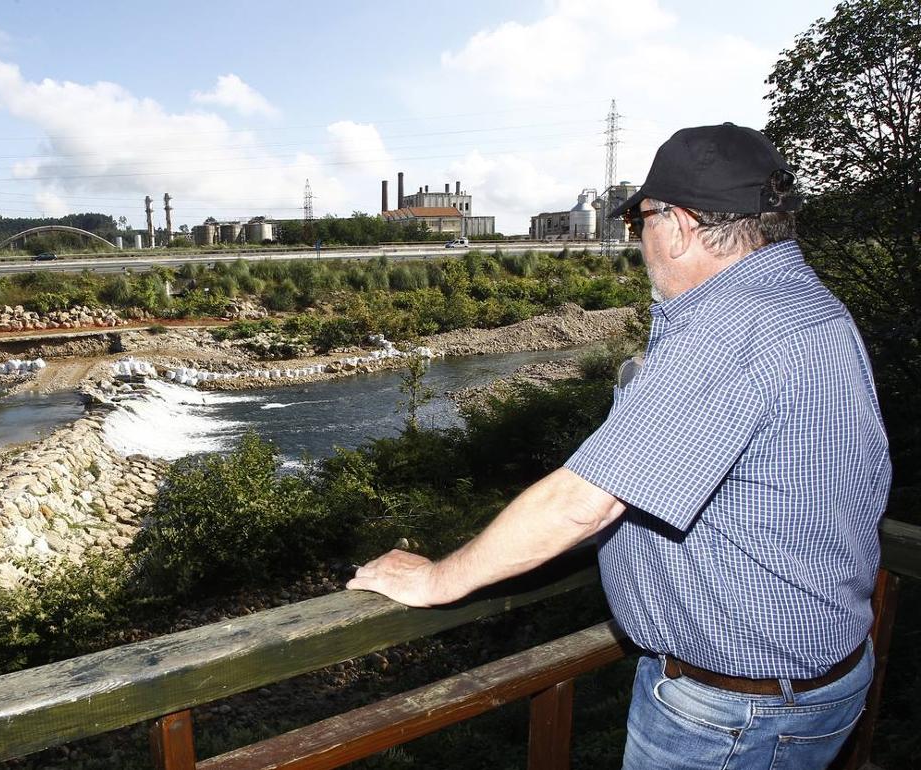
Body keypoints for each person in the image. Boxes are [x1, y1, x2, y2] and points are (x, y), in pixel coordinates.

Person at [347, 123, 890, 769]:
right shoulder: (810, 305)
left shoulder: (725, 332)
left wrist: (439, 578)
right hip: (826, 676)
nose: (639, 243)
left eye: (641, 224)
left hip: (736, 717)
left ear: (680, 226)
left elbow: (581, 504)